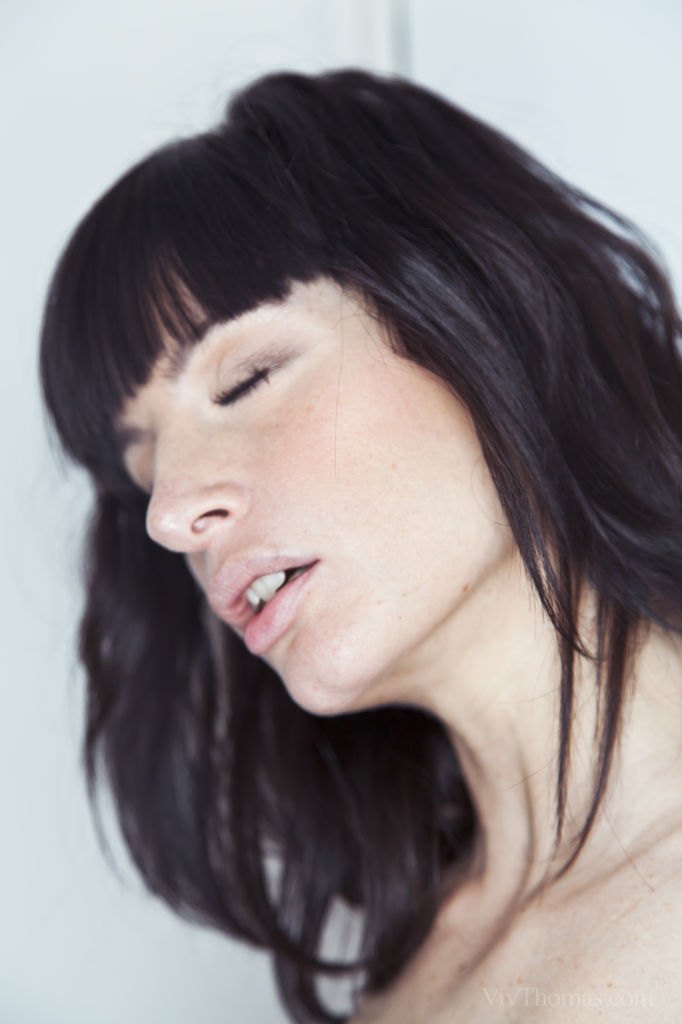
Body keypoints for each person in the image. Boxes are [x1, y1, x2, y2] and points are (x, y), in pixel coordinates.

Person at [39, 68, 682, 1022]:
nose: (167, 517)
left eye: (248, 378)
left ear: (481, 310)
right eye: (142, 474)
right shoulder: (402, 970)